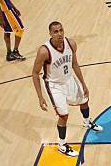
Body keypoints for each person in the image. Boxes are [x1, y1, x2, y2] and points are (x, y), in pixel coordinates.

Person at [32, 21, 102, 157]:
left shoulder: (71, 44)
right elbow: (35, 73)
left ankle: (86, 122)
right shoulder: (44, 51)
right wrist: (40, 97)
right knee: (63, 115)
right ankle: (62, 145)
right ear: (50, 34)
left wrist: (83, 84)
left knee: (84, 100)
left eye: (61, 30)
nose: (59, 34)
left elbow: (75, 64)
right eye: (55, 32)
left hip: (69, 79)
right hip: (54, 85)